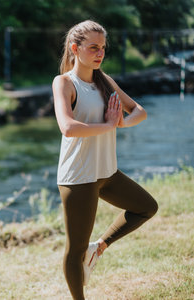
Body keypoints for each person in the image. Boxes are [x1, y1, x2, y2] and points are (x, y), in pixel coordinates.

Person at [52, 20, 158, 300]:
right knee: (74, 250)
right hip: (78, 177)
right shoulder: (64, 83)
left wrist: (122, 123)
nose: (100, 53)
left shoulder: (104, 80)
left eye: (103, 48)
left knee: (146, 207)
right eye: (93, 47)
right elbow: (68, 127)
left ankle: (98, 247)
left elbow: (139, 111)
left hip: (107, 172)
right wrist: (110, 126)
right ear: (75, 48)